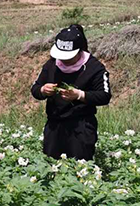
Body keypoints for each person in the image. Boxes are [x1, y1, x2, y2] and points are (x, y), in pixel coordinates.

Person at [31, 24, 111, 161]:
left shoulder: (94, 67)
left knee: (81, 167)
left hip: (81, 126)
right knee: (51, 166)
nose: (64, 60)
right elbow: (35, 88)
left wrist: (80, 95)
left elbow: (104, 96)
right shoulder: (51, 64)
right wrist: (43, 90)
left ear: (79, 51)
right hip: (54, 125)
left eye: (68, 57)